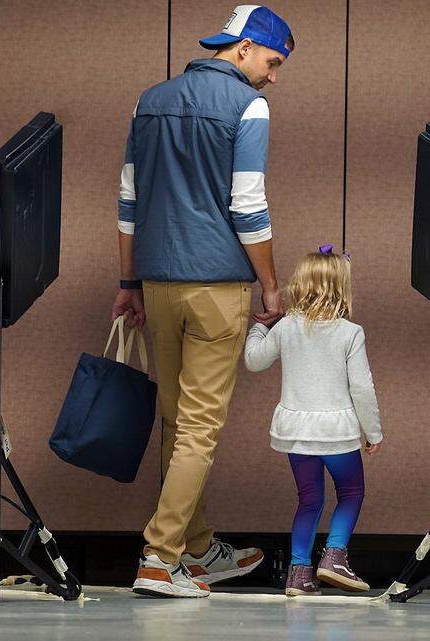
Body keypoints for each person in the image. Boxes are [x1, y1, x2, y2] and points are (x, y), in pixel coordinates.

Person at [112, 5, 294, 598]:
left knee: (175, 420)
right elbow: (248, 205)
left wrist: (129, 283)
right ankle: (160, 558)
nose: (274, 75)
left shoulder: (149, 99)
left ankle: (195, 547)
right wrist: (270, 284)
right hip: (218, 285)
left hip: (159, 281)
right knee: (198, 428)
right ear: (242, 49)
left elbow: (129, 200)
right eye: (272, 61)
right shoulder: (250, 106)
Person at [244, 246, 383, 597]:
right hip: (337, 433)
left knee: (309, 500)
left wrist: (259, 330)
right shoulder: (350, 332)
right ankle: (334, 557)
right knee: (351, 493)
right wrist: (373, 432)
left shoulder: (287, 328)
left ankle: (298, 574)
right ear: (342, 288)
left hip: (296, 433)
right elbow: (362, 388)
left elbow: (254, 362)